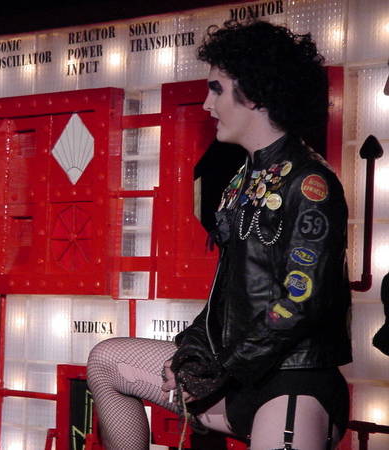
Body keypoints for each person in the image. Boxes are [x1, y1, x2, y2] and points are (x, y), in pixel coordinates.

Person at [87, 20, 352, 450]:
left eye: (216, 89)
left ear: (255, 94)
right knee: (105, 360)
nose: (207, 104)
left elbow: (301, 302)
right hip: (233, 376)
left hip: (292, 383)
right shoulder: (242, 179)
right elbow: (223, 294)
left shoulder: (310, 183)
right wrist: (192, 352)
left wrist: (220, 367)